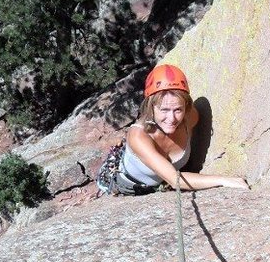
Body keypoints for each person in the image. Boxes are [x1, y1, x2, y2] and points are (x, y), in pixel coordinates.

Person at [97, 64, 249, 195]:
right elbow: (175, 181)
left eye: (178, 110)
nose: (172, 119)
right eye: (164, 110)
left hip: (161, 181)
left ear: (186, 107)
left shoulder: (189, 117)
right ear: (151, 108)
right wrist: (223, 180)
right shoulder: (138, 136)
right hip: (127, 184)